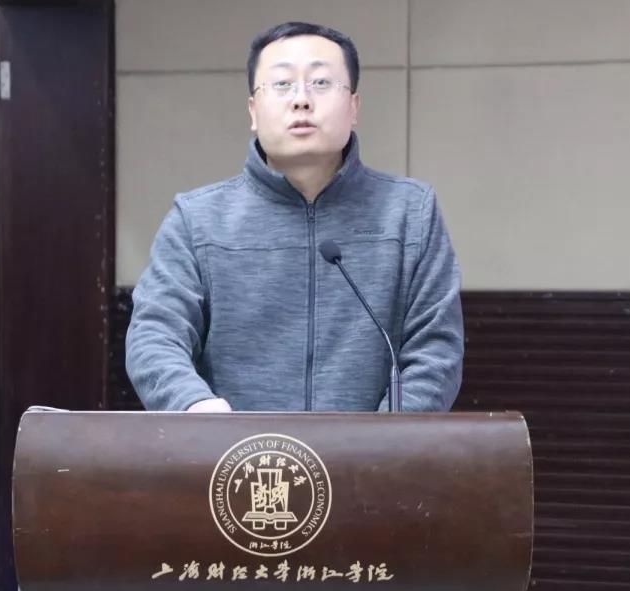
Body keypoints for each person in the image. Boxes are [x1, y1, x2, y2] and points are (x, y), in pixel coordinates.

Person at [126, 21, 463, 413]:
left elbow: (435, 350)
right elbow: (155, 335)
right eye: (282, 84)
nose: (301, 99)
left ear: (354, 106)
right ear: (253, 110)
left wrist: (385, 436)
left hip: (371, 450)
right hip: (234, 449)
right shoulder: (198, 219)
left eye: (321, 83)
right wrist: (194, 406)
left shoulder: (409, 212)